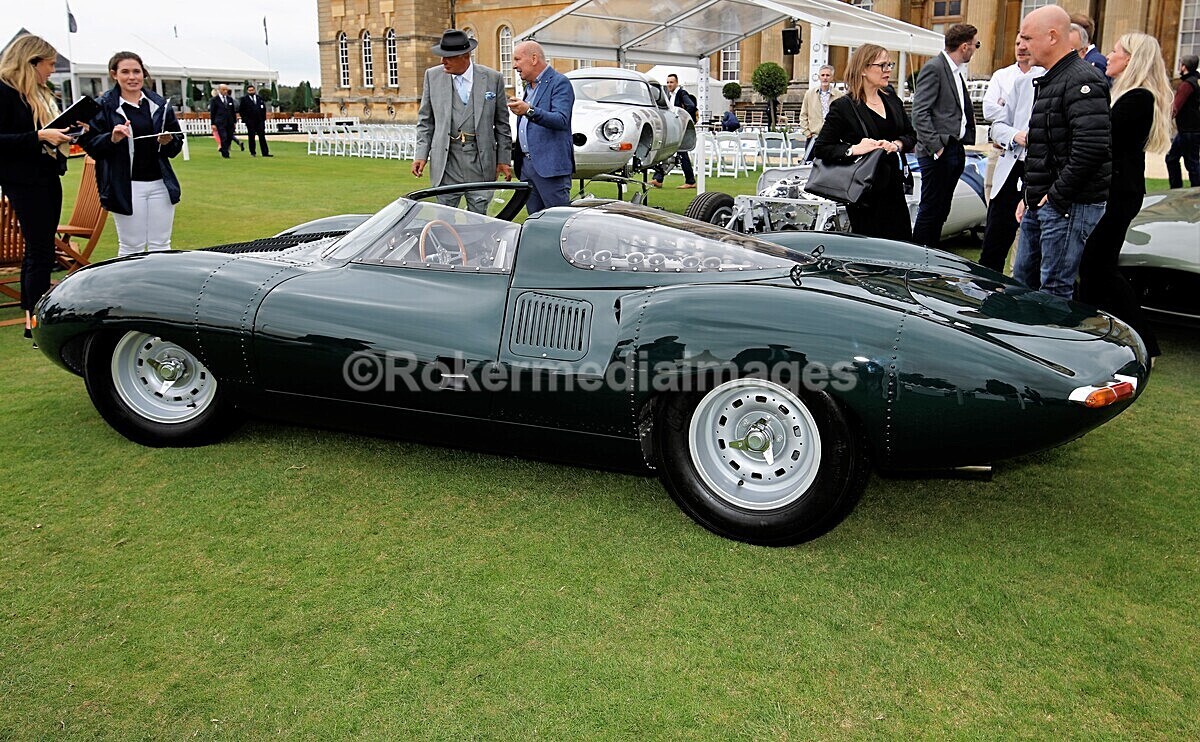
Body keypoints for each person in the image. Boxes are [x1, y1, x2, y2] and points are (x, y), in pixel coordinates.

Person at [1077, 33, 1170, 359]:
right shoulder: (1130, 95)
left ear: (1130, 58)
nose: (1109, 55)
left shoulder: (1137, 99)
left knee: (1098, 266)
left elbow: (1105, 141)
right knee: (1095, 266)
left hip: (1119, 192)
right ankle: (1093, 332)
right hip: (1118, 190)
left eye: (1116, 50)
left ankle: (1142, 340)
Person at [1012, 4, 1111, 299]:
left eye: (1028, 38)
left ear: (1052, 36)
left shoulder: (1082, 79)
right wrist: (1030, 195)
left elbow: (1091, 147)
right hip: (1045, 201)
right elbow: (1045, 146)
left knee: (1054, 290)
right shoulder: (1054, 79)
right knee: (1023, 283)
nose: (1022, 46)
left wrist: (1055, 196)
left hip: (1068, 205)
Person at [0, 34, 82, 341]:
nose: (52, 70)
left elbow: (44, 132)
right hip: (23, 180)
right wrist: (38, 137)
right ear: (31, 62)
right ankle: (34, 321)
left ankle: (34, 318)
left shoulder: (39, 93)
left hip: (47, 175)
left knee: (42, 248)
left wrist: (67, 131)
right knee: (39, 250)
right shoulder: (5, 92)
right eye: (49, 64)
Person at [81, 51, 183, 258]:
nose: (132, 77)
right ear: (114, 75)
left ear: (143, 73)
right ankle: (128, 280)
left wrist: (168, 141)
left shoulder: (160, 104)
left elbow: (175, 145)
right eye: (125, 72)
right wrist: (112, 138)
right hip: (126, 185)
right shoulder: (103, 106)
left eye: (136, 71)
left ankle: (159, 279)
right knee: (131, 246)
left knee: (161, 244)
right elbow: (91, 146)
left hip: (160, 184)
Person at [812, 44, 916, 241]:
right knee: (872, 249)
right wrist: (854, 149)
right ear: (863, 69)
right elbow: (822, 148)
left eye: (890, 65)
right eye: (882, 65)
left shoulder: (891, 99)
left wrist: (897, 144)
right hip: (864, 192)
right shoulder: (844, 107)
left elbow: (910, 134)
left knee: (901, 246)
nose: (888, 70)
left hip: (894, 188)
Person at [411, 29, 512, 214]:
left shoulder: (493, 78)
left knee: (479, 219)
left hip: (481, 162)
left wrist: (504, 160)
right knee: (444, 218)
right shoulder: (432, 76)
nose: (443, 61)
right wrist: (421, 155)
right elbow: (426, 121)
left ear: (465, 56)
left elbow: (502, 124)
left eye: (448, 57)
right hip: (446, 162)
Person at [979, 36, 1044, 273]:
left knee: (1029, 246)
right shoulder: (1018, 81)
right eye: (1018, 43)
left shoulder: (1061, 80)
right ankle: (986, 288)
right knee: (994, 241)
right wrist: (1016, 134)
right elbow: (994, 121)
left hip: (1042, 171)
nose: (1022, 48)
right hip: (1011, 165)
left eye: (1029, 41)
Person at [911, 23, 979, 248]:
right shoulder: (935, 68)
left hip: (954, 147)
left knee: (941, 209)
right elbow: (919, 113)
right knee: (931, 209)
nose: (975, 49)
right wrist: (936, 147)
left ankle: (930, 255)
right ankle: (919, 258)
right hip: (938, 150)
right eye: (975, 45)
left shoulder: (954, 72)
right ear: (964, 46)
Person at [507, 40, 574, 214]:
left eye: (517, 59)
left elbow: (561, 120)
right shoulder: (529, 87)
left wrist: (528, 110)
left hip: (550, 169)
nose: (514, 66)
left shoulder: (559, 82)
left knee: (556, 221)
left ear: (534, 59)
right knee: (535, 222)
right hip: (527, 168)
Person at [650, 73, 697, 189]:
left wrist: (683, 119)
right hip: (673, 129)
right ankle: (658, 179)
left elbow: (691, 106)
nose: (669, 84)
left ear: (677, 83)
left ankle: (690, 181)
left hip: (679, 129)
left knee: (680, 153)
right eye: (668, 82)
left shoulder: (682, 93)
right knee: (666, 152)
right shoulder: (669, 95)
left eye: (671, 82)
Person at [1165, 55, 1200, 189]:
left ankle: (1194, 191)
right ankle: (1178, 189)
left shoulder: (1187, 85)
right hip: (1191, 129)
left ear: (1184, 67)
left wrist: (1163, 120)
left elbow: (1175, 107)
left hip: (1188, 130)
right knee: (1172, 159)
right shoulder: (1196, 81)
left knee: (1191, 164)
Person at [799, 64, 842, 155]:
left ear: (832, 78)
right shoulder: (809, 94)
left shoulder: (839, 95)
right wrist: (807, 133)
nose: (825, 78)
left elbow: (842, 116)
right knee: (809, 162)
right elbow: (803, 114)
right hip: (813, 137)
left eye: (828, 75)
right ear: (819, 77)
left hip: (832, 138)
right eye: (822, 75)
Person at [239, 84, 271, 157]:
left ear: (254, 90)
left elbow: (263, 109)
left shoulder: (259, 98)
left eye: (252, 90)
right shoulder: (244, 99)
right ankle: (253, 152)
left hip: (259, 121)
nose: (251, 91)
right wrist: (246, 120)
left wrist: (263, 119)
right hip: (250, 121)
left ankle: (265, 152)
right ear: (247, 91)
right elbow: (241, 111)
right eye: (249, 90)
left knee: (262, 137)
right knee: (251, 137)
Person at [209, 84, 237, 158]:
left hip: (230, 121)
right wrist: (213, 123)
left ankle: (224, 148)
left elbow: (233, 111)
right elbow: (213, 112)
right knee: (223, 137)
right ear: (219, 90)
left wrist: (234, 121)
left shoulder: (230, 99)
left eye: (226, 90)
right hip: (220, 122)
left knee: (229, 137)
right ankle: (225, 154)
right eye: (223, 90)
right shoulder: (215, 100)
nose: (225, 91)